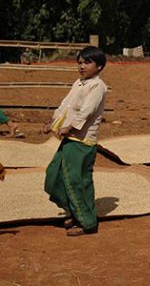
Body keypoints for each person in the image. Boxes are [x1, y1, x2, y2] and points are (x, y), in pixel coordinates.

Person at [43, 46, 108, 237]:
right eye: (79, 62)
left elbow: (86, 111)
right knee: (53, 175)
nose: (82, 66)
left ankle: (87, 223)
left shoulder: (98, 86)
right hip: (70, 139)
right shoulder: (79, 83)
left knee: (77, 181)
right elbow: (66, 105)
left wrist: (69, 127)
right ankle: (71, 210)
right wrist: (52, 123)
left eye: (87, 62)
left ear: (99, 66)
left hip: (82, 141)